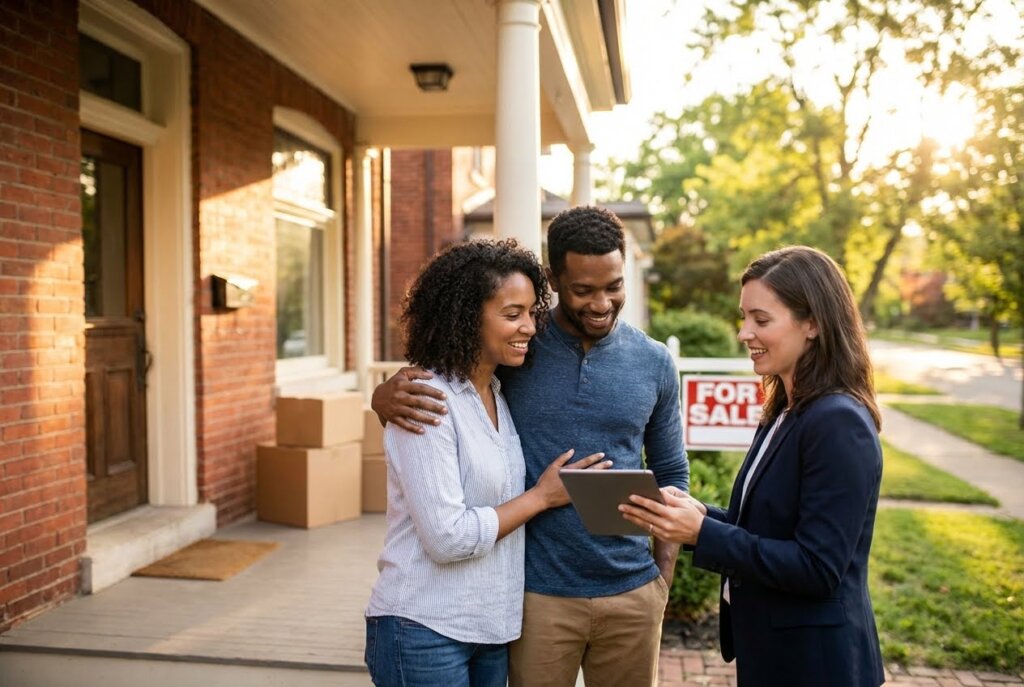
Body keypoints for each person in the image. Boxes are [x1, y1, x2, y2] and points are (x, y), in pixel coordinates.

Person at [373, 206, 689, 687]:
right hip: (534, 596)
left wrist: (660, 579)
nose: (601, 303)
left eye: (614, 286)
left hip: (631, 590)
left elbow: (672, 474)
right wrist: (383, 397)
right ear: (555, 279)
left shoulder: (654, 362)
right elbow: (453, 377)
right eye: (583, 290)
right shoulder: (519, 348)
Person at [620, 246, 885, 687]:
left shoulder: (838, 421)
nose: (744, 333)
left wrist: (702, 533)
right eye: (744, 317)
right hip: (775, 655)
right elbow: (770, 529)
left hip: (817, 666)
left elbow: (817, 567)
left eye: (761, 320)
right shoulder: (786, 409)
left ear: (814, 323)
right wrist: (697, 515)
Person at [364, 239, 610, 687]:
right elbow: (446, 537)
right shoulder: (426, 400)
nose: (530, 328)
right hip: (424, 627)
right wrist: (541, 498)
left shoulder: (497, 391)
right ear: (466, 316)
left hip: (491, 629)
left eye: (532, 313)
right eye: (511, 314)